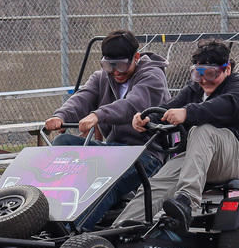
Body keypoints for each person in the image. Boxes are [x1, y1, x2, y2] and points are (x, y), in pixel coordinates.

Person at [113, 38, 239, 233]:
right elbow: (167, 109)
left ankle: (187, 203)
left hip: (237, 160)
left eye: (211, 73)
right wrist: (145, 117)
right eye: (198, 73)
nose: (204, 80)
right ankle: (119, 233)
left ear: (227, 70)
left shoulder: (238, 88)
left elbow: (226, 106)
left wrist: (188, 112)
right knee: (157, 182)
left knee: (202, 130)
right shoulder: (194, 89)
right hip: (199, 159)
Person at [43, 29, 170, 229]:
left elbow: (133, 105)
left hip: (145, 153)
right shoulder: (102, 77)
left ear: (136, 57)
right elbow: (83, 97)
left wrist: (98, 115)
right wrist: (61, 115)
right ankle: (46, 215)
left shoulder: (152, 76)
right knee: (62, 143)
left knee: (106, 182)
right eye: (109, 65)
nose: (116, 71)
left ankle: (71, 231)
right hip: (112, 150)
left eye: (121, 64)